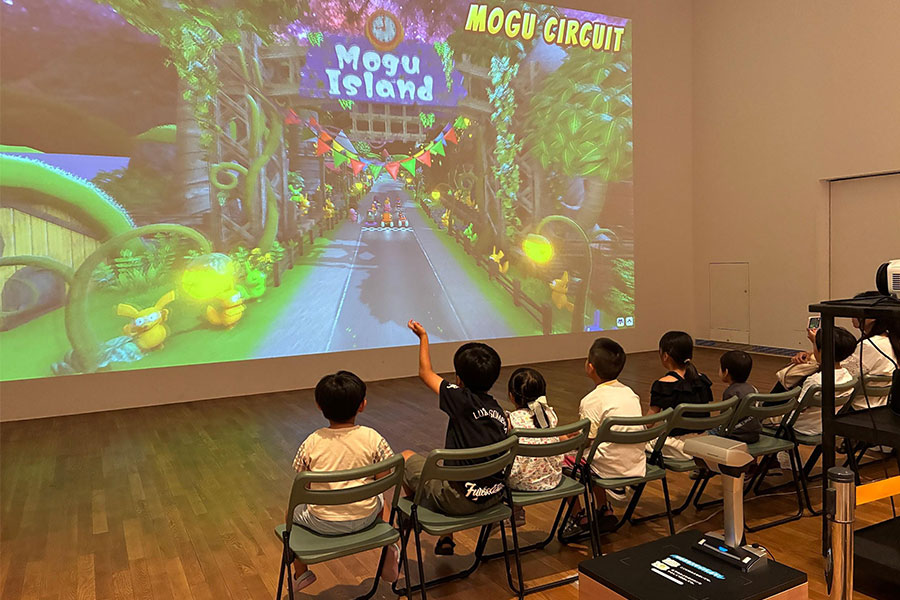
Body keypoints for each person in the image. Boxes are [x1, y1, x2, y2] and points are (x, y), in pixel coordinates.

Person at [401, 320, 509, 556]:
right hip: (494, 496)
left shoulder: (459, 399)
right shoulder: (499, 411)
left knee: (406, 458)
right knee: (448, 471)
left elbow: (425, 373)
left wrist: (423, 337)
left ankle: (417, 515)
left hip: (458, 501)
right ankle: (445, 537)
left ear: (459, 380)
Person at [289, 371, 400, 593]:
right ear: (362, 405)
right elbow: (384, 479)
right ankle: (389, 547)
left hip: (322, 522)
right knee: (381, 500)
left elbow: (305, 486)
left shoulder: (312, 441)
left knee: (291, 511)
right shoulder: (373, 437)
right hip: (366, 518)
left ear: (319, 406)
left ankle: (301, 572)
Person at [561, 338, 646, 538]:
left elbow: (585, 442)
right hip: (636, 463)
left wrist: (565, 439)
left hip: (608, 467)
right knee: (593, 453)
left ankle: (578, 516)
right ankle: (604, 509)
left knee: (561, 460)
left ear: (590, 367)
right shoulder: (630, 394)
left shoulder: (591, 400)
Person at [506, 368, 562, 525]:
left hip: (520, 482)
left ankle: (515, 512)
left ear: (511, 396)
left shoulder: (511, 420)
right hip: (553, 478)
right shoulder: (550, 415)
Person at [648, 331, 713, 460]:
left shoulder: (663, 385)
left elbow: (649, 422)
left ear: (665, 356)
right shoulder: (702, 380)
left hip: (678, 447)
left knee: (641, 443)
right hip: (704, 442)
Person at [790, 327, 859, 436]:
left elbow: (799, 407)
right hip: (825, 426)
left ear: (821, 351)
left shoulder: (815, 380)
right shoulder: (848, 377)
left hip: (801, 427)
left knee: (768, 419)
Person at [843, 292, 900, 410]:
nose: (851, 315)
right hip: (881, 407)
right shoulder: (890, 340)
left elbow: (842, 375)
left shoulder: (869, 346)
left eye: (855, 310)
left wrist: (817, 346)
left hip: (858, 409)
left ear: (872, 317)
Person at [709, 350, 761, 443]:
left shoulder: (731, 393)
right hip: (754, 435)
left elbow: (724, 419)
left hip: (734, 436)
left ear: (726, 372)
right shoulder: (753, 389)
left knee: (705, 433)